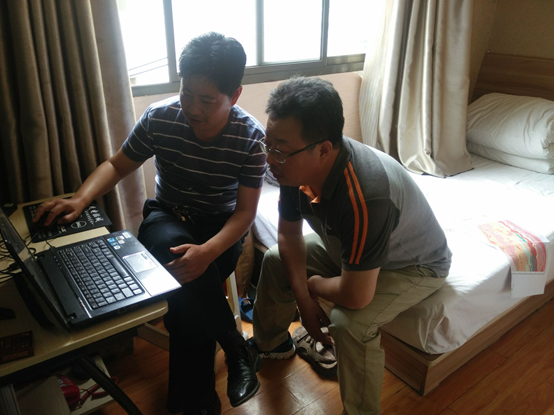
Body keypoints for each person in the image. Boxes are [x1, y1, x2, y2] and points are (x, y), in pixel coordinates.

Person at [33, 32, 266, 415]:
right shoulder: (160, 117)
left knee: (185, 295)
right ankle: (234, 345)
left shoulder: (251, 138)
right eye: (186, 92)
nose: (192, 107)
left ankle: (196, 404)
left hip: (219, 229)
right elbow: (116, 165)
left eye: (206, 100)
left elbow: (244, 214)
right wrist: (80, 199)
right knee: (175, 256)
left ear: (235, 95)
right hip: (167, 216)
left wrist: (207, 252)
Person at [247, 76, 451, 415]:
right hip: (348, 248)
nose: (270, 158)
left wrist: (312, 286)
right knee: (275, 258)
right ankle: (271, 344)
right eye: (267, 145)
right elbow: (289, 235)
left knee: (349, 323)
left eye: (279, 149)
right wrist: (304, 300)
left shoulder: (366, 195)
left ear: (323, 149)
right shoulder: (293, 166)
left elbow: (356, 296)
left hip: (413, 265)